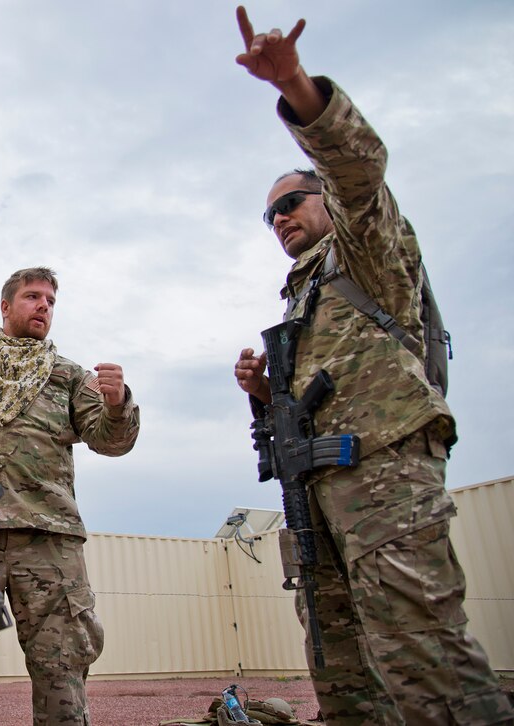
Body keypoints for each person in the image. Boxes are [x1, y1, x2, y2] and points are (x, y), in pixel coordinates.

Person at [232, 8, 514, 725]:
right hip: (321, 493)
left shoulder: (366, 250)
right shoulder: (301, 292)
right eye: (270, 218)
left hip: (384, 478)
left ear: (323, 198)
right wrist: (265, 391)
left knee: (423, 659)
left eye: (290, 203)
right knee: (344, 670)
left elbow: (358, 170)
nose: (281, 221)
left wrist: (295, 85)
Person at [0, 267, 140, 725]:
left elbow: (110, 441)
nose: (43, 307)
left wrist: (118, 405)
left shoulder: (69, 375)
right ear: (5, 306)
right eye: (33, 297)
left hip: (48, 537)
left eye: (50, 301)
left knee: (61, 664)